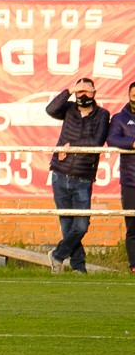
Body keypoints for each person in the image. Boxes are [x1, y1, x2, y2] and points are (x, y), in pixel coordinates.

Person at [46, 78, 110, 274]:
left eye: (86, 91)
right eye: (79, 91)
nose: (83, 95)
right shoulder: (69, 109)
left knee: (81, 225)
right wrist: (70, 89)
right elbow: (50, 109)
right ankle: (79, 267)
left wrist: (71, 146)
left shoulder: (102, 115)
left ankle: (57, 255)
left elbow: (96, 143)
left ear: (94, 93)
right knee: (67, 225)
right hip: (59, 174)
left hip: (82, 177)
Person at [106, 81, 135, 274]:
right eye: (134, 95)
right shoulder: (119, 118)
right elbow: (112, 139)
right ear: (129, 95)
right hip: (130, 181)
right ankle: (134, 265)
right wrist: (132, 142)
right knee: (132, 226)